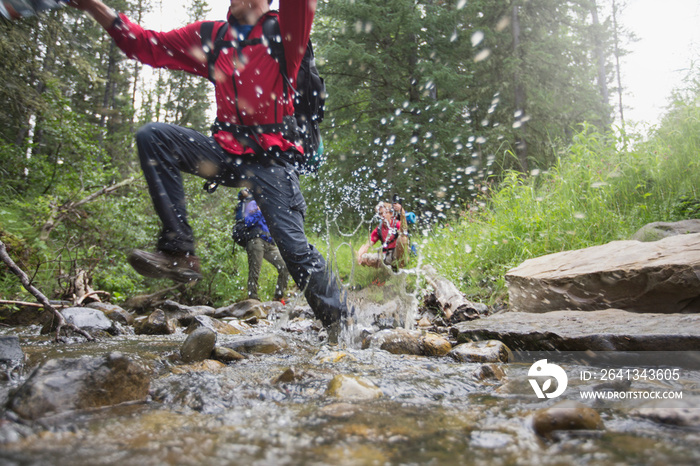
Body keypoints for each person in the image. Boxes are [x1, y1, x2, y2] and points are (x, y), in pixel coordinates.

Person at [67, 0, 348, 335]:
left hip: (273, 160)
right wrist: (93, 6)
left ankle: (344, 326)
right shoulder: (213, 37)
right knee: (154, 137)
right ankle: (179, 251)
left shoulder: (285, 31)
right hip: (225, 154)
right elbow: (144, 44)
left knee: (294, 251)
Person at [234, 188, 290, 302]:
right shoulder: (252, 204)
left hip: (269, 242)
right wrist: (259, 210)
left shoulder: (270, 207)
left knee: (284, 266)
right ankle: (253, 299)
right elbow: (249, 222)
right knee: (255, 270)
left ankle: (278, 296)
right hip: (256, 241)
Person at [357, 202, 402, 269]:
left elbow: (404, 232)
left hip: (398, 255)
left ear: (391, 214)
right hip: (385, 256)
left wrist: (401, 211)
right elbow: (368, 244)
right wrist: (360, 254)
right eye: (381, 213)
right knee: (364, 258)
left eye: (386, 213)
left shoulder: (397, 224)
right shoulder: (379, 229)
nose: (383, 215)